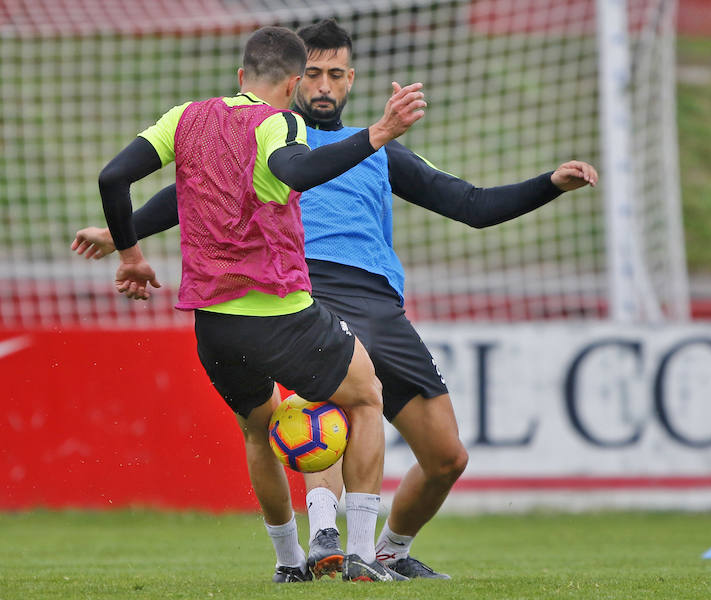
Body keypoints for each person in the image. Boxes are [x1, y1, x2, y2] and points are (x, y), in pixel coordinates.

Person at [73, 19, 598, 581]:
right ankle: (329, 538)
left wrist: (549, 184)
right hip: (299, 290)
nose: (323, 86)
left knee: (447, 457)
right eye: (314, 74)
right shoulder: (271, 134)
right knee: (326, 403)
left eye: (336, 75)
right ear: (295, 80)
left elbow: (471, 205)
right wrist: (123, 233)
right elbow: (191, 191)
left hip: (375, 300)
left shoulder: (374, 151)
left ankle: (389, 550)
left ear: (351, 79)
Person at [91, 25, 426, 583]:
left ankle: (290, 564)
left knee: (258, 431)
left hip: (213, 324)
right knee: (367, 396)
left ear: (241, 76)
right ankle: (363, 556)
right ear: (294, 83)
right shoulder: (282, 122)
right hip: (281, 314)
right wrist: (380, 132)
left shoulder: (184, 117)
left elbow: (113, 177)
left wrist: (130, 255)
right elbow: (296, 171)